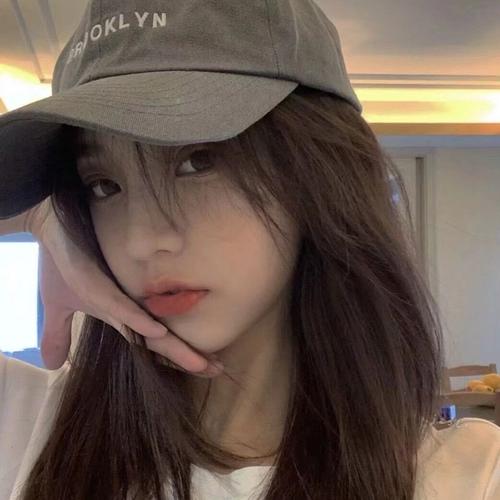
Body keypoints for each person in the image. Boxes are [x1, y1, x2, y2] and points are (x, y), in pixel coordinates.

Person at [0, 1, 498, 499]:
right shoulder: (28, 427)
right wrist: (40, 219)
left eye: (198, 161)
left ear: (319, 171)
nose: (141, 241)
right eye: (103, 185)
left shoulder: (470, 476)